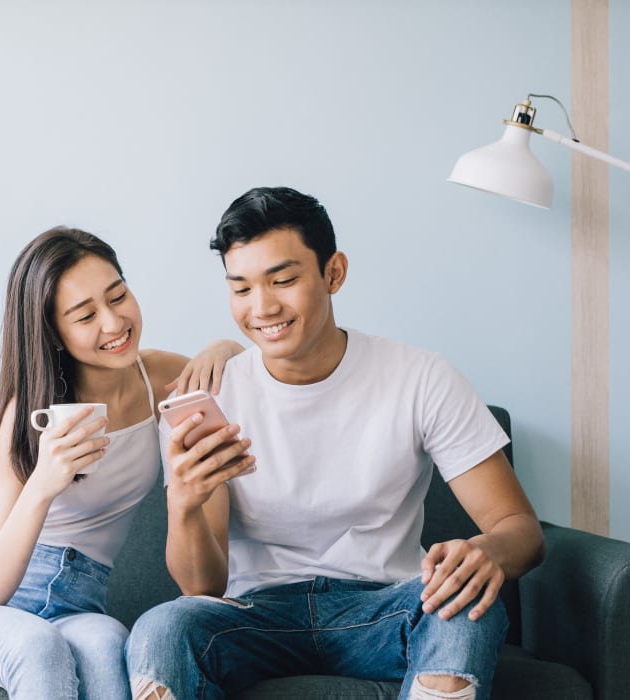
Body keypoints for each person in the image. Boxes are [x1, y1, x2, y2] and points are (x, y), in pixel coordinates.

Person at [125, 187, 546, 700]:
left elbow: (521, 530)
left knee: (466, 604)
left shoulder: (421, 378)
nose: (262, 307)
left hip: (386, 607)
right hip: (255, 616)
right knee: (162, 628)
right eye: (241, 288)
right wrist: (185, 503)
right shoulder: (211, 397)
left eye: (282, 279)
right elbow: (201, 589)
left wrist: (484, 553)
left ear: (334, 273)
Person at [0, 226, 242, 700]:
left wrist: (222, 348)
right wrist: (45, 482)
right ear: (53, 331)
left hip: (79, 602)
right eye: (86, 315)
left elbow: (235, 362)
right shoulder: (28, 411)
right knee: (37, 646)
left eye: (118, 296)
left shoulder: (161, 378)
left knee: (110, 643)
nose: (114, 323)